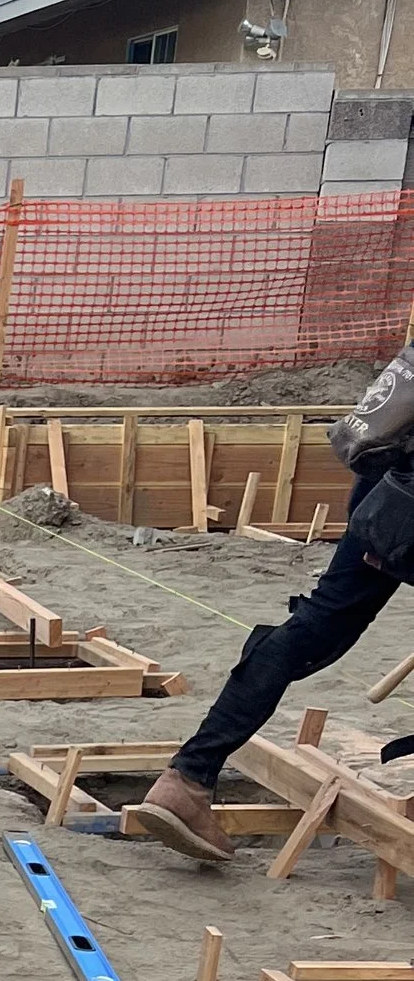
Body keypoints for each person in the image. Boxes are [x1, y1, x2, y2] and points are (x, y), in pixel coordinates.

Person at [131, 338, 414, 862]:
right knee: (316, 629)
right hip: (402, 505)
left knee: (314, 627)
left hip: (385, 494)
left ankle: (188, 777)